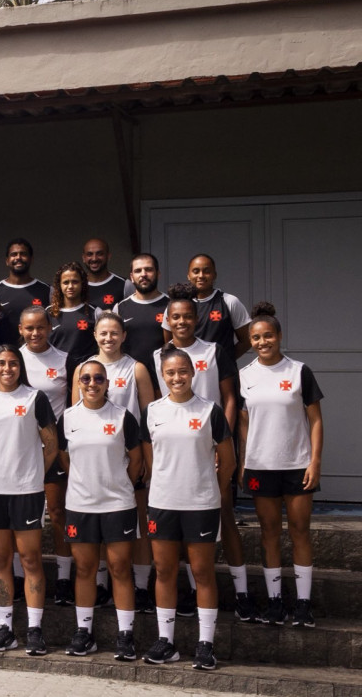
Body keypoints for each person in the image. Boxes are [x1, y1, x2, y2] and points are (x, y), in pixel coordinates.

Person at [153, 284, 254, 621]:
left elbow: (229, 397)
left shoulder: (214, 351)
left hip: (210, 444)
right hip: (178, 454)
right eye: (175, 317)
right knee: (178, 531)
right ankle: (190, 594)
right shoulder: (158, 356)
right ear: (167, 320)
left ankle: (242, 593)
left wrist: (217, 441)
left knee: (224, 516)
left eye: (187, 316)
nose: (181, 322)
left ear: (196, 319)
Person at [141, 347, 234, 671]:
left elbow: (229, 461)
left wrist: (210, 491)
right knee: (164, 571)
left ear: (193, 372)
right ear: (162, 376)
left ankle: (205, 644)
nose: (177, 378)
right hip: (163, 503)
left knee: (202, 572)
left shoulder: (210, 411)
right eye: (170, 373)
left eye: (182, 371)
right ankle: (166, 641)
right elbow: (151, 459)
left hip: (200, 504)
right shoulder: (152, 411)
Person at [238, 302, 324, 627]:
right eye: (256, 338)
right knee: (269, 533)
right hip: (261, 467)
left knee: (300, 531)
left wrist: (315, 462)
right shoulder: (244, 376)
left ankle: (303, 604)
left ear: (279, 336)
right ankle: (275, 602)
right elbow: (244, 424)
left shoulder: (299, 371)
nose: (263, 342)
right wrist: (244, 461)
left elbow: (315, 420)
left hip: (297, 465)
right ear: (251, 341)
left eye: (268, 336)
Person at [0, 345, 58, 655]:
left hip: (27, 493)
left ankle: (35, 629)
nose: (7, 368)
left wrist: (32, 474)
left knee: (31, 559)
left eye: (12, 363)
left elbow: (51, 444)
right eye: (1, 363)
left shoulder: (35, 398)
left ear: (20, 367)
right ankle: (5, 627)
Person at [71, 312, 156, 612]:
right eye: (103, 333)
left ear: (124, 336)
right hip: (93, 464)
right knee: (100, 529)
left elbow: (149, 416)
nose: (109, 338)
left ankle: (143, 585)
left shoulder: (137, 369)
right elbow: (74, 416)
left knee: (139, 524)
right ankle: (102, 584)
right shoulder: (83, 369)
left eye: (114, 333)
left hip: (129, 458)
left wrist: (145, 458)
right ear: (95, 335)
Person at [58, 360, 142, 661]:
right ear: (78, 383)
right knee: (85, 570)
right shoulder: (67, 418)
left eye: (98, 378)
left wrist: (117, 485)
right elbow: (64, 458)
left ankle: (125, 635)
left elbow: (137, 461)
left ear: (108, 383)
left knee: (120, 569)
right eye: (86, 378)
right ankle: (84, 632)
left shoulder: (122, 417)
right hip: (80, 505)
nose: (92, 383)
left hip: (117, 505)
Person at [19, 306, 73, 607]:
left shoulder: (64, 359)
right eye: (29, 328)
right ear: (20, 329)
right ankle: (19, 575)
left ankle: (64, 579)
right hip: (19, 451)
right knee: (19, 519)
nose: (35, 333)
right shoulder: (10, 360)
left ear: (50, 327)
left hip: (53, 450)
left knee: (56, 513)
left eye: (40, 327)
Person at [165, 254, 251, 358]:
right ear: (188, 275)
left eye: (207, 271)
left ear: (214, 275)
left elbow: (247, 340)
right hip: (186, 371)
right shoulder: (176, 305)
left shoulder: (229, 301)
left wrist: (225, 361)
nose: (201, 275)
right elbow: (169, 341)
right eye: (196, 271)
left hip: (221, 373)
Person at [112, 253, 169, 377]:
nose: (143, 274)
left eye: (148, 269)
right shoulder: (120, 308)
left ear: (158, 273)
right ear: (132, 277)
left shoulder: (171, 305)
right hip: (129, 376)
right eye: (138, 271)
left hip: (163, 376)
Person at [47, 261, 98, 380]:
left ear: (82, 284)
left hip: (85, 376)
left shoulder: (95, 312)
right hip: (56, 374)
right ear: (59, 285)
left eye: (75, 281)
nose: (70, 286)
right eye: (65, 282)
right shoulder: (48, 313)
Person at [0, 238, 52, 325]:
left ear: (31, 259)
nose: (18, 257)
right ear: (7, 261)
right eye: (14, 254)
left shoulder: (47, 290)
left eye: (23, 254)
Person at [82, 238, 127, 312]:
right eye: (89, 254)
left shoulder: (124, 284)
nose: (94, 259)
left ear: (108, 256)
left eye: (99, 254)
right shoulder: (76, 285)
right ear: (83, 258)